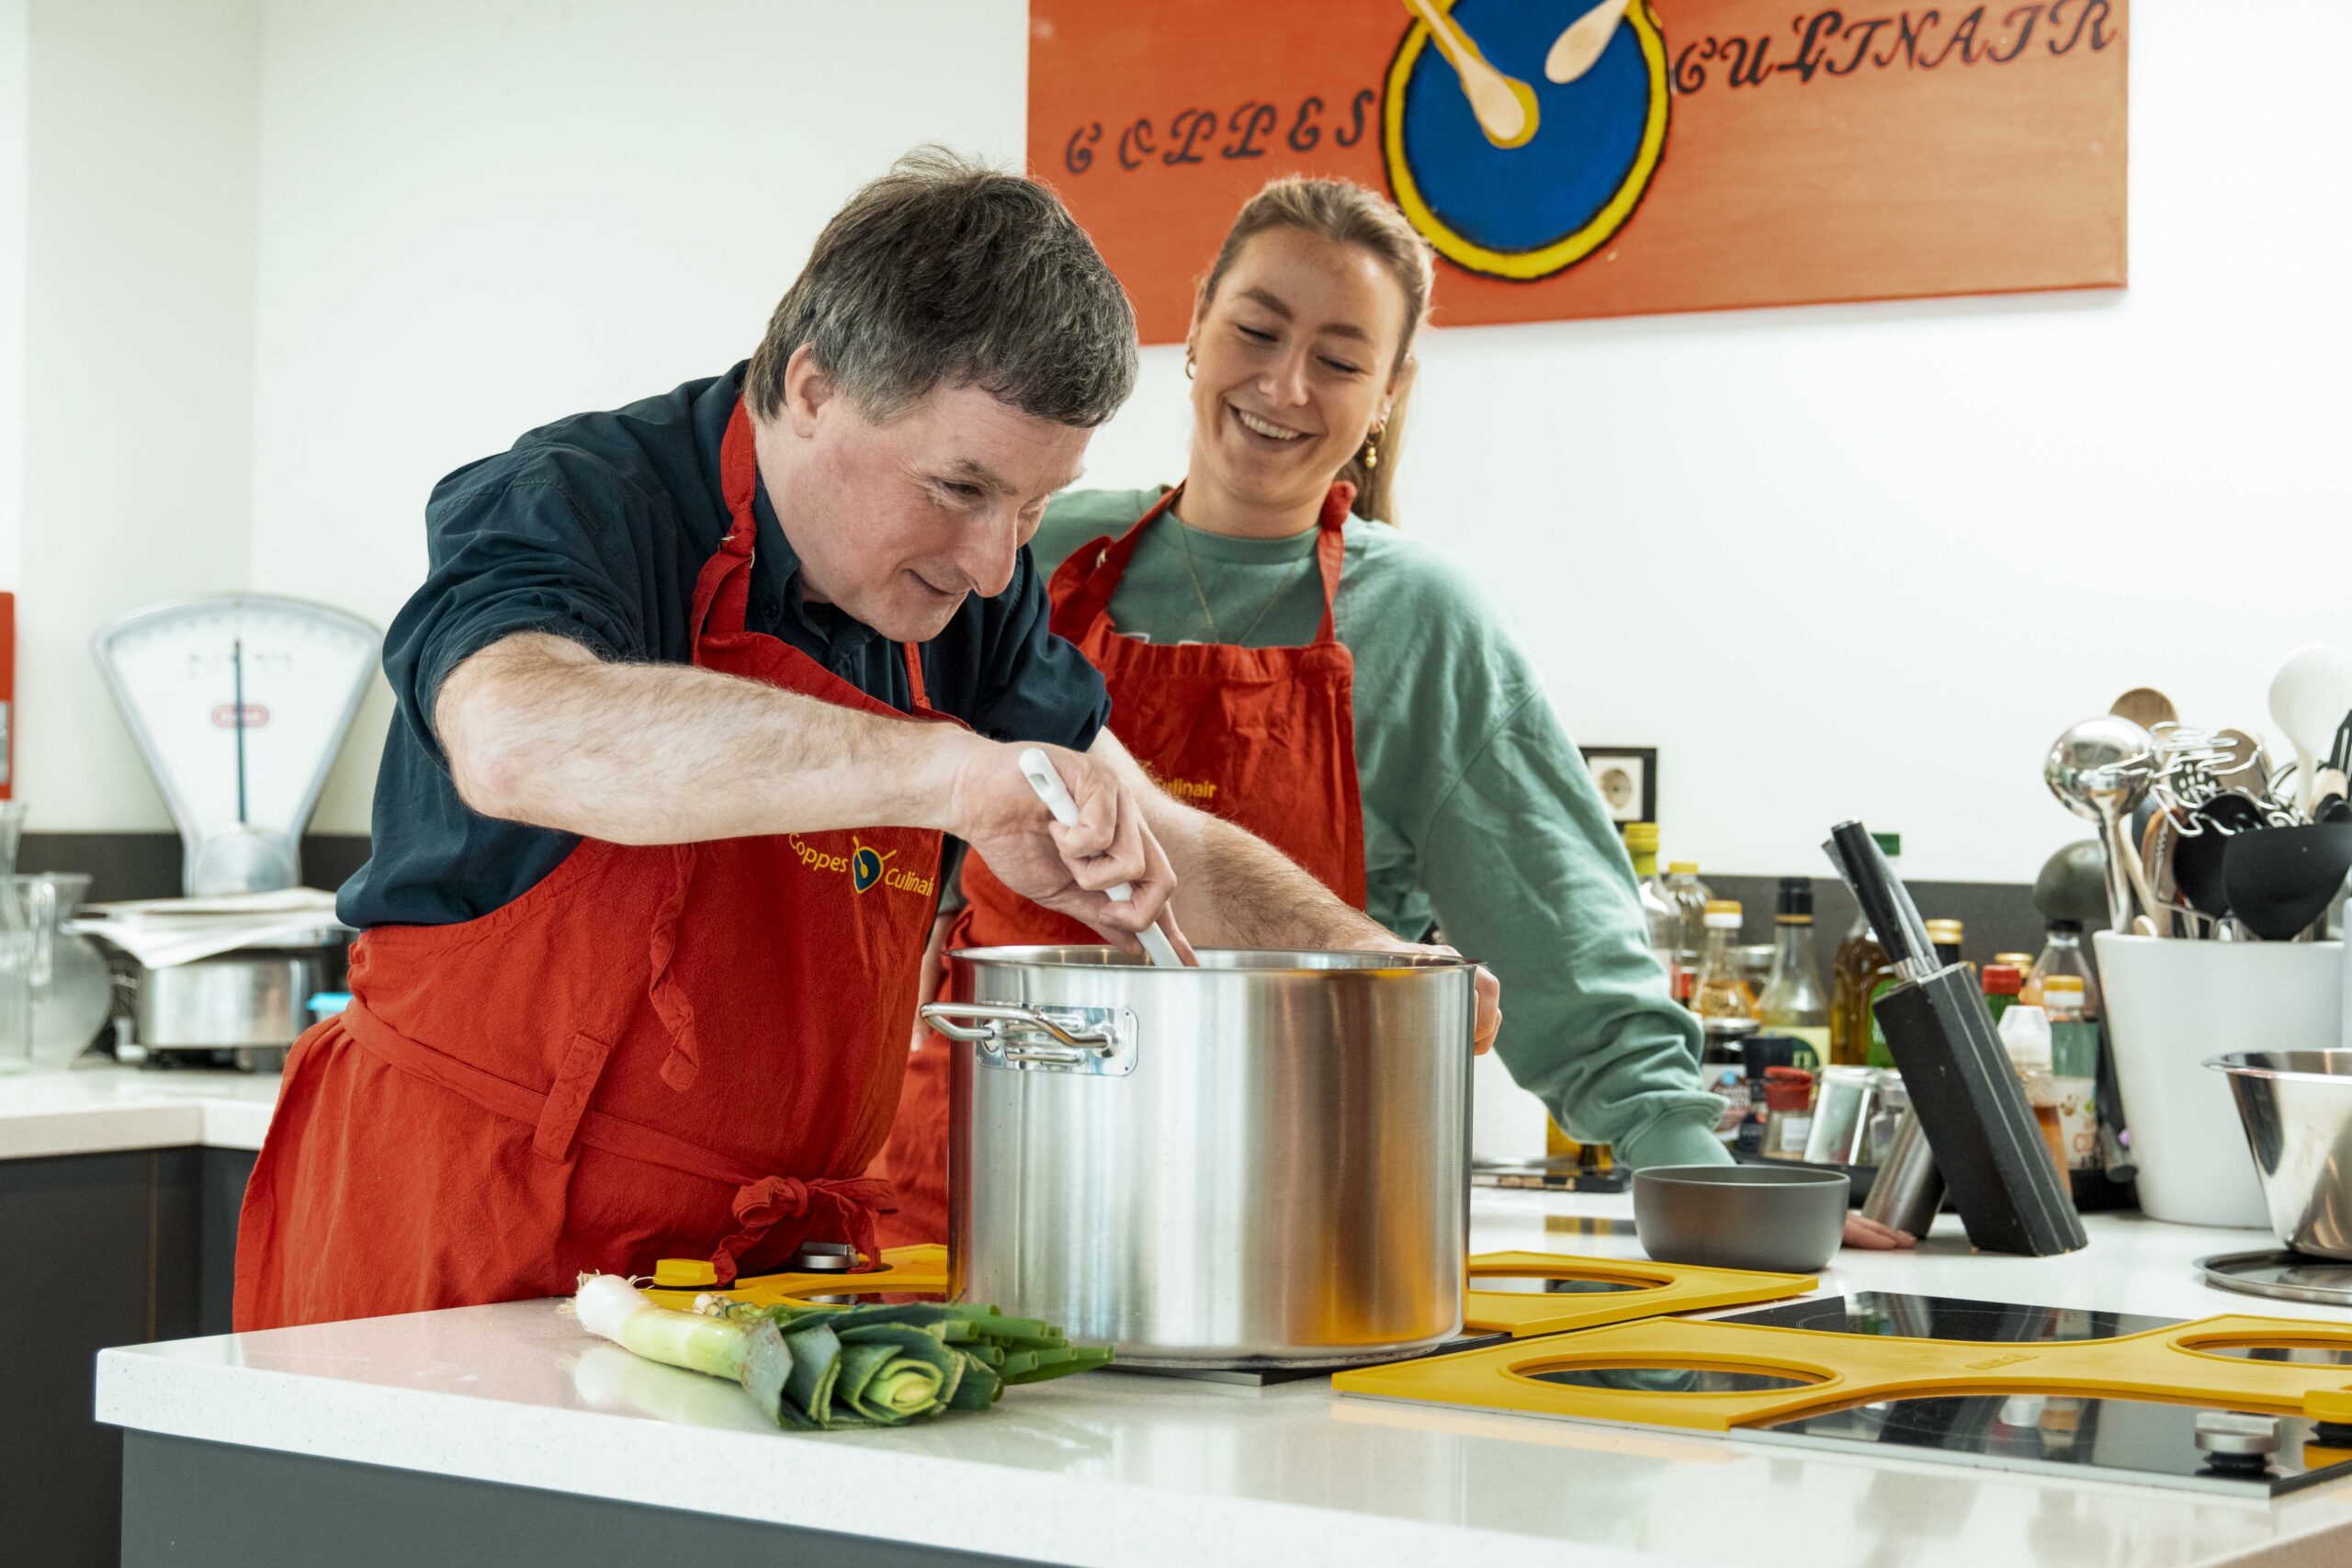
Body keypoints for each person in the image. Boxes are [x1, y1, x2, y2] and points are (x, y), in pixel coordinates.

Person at [233, 152, 1499, 1332]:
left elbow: (1141, 829)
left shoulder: (966, 595)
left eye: (1034, 505)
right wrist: (949, 772)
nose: (998, 559)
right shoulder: (582, 501)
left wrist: (1380, 967)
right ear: (811, 383)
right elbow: (517, 734)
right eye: (959, 489)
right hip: (459, 1248)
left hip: (757, 1295)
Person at [875, 176, 1910, 1252]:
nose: (1282, 383)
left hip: (1278, 1242)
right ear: (1195, 329)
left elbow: (1567, 955)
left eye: (1337, 359)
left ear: (1388, 390)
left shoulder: (1423, 623)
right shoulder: (1020, 553)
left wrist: (1709, 1185)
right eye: (1257, 330)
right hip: (965, 1209)